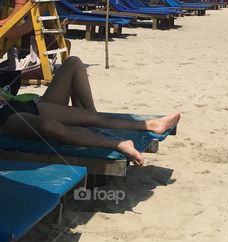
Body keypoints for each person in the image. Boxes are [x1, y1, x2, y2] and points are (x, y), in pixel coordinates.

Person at [0, 56, 180, 165]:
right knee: (50, 126)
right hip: (6, 119)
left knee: (73, 63)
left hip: (22, 104)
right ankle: (118, 144)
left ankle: (151, 125)